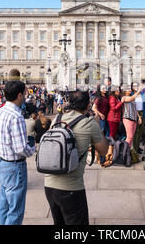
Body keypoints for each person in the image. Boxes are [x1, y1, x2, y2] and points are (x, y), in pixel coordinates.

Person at [44, 90, 109, 225]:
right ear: (87, 106)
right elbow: (104, 150)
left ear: (69, 104)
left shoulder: (57, 119)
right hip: (71, 187)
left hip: (49, 185)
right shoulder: (89, 123)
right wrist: (97, 126)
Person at [0, 80, 35, 225]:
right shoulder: (17, 116)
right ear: (19, 95)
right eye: (25, 93)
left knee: (4, 207)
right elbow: (20, 149)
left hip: (2, 162)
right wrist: (33, 149)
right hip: (15, 166)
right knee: (15, 211)